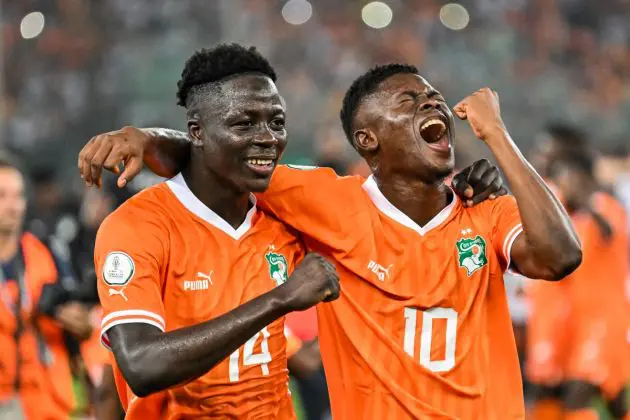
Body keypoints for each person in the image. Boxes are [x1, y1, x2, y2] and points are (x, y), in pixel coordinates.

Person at [79, 62, 581, 418]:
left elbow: (561, 257)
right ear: (367, 140)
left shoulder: (487, 211)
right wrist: (147, 139)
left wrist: (497, 135)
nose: (430, 102)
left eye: (432, 97)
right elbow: (215, 155)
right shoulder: (324, 202)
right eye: (409, 99)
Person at [92, 44, 342, 419]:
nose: (268, 138)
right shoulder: (137, 225)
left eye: (276, 122)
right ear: (196, 131)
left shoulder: (287, 211)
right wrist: (280, 299)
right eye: (244, 123)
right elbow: (142, 366)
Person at [545, 150, 630, 420]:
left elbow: (609, 232)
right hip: (581, 322)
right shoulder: (577, 218)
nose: (562, 186)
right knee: (613, 399)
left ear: (580, 177)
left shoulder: (604, 206)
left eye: (565, 179)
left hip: (605, 320)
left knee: (578, 394)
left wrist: (586, 203)